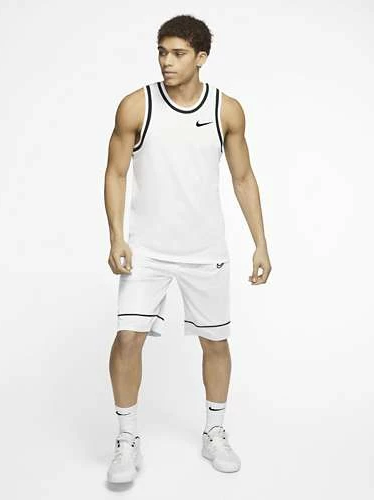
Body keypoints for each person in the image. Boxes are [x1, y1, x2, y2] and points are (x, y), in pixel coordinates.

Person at [104, 14, 271, 483]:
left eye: (178, 54)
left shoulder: (226, 110)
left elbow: (243, 177)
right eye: (162, 52)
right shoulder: (136, 106)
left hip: (204, 249)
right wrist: (116, 236)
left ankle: (214, 432)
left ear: (201, 57)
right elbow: (116, 172)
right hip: (147, 250)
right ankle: (126, 440)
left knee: (215, 342)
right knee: (127, 338)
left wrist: (260, 243)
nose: (166, 61)